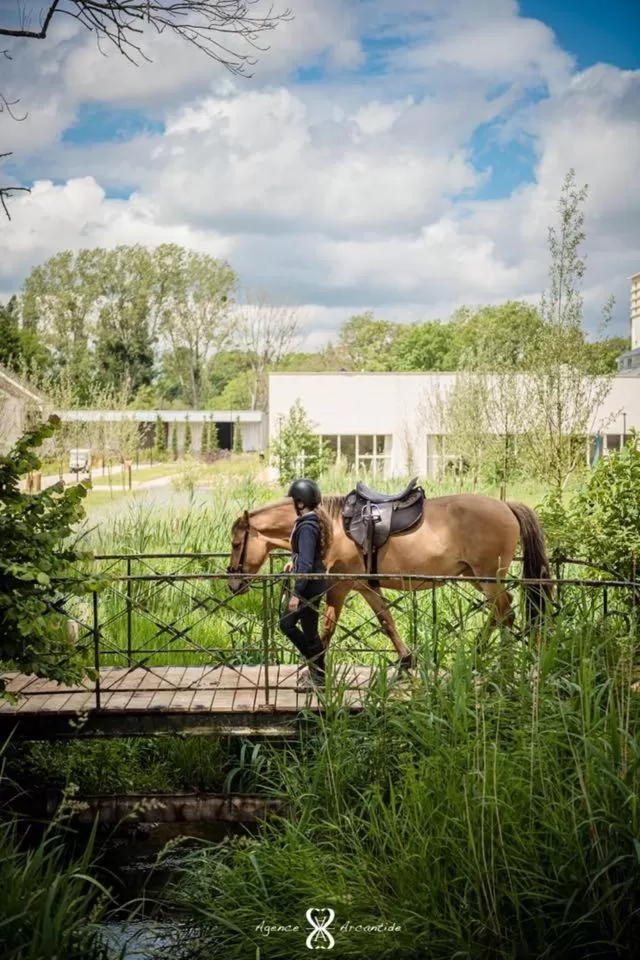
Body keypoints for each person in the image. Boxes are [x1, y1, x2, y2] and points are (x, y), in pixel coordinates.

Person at [279, 477, 333, 691]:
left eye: (293, 500)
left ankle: (318, 672)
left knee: (287, 624)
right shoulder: (309, 522)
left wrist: (296, 594)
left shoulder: (308, 526)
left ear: (300, 502)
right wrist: (293, 561)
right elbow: (305, 556)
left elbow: (308, 563)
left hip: (308, 587)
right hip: (312, 584)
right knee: (310, 632)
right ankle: (317, 675)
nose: (291, 504)